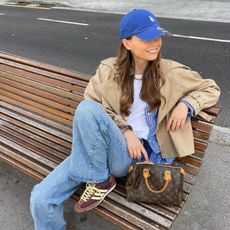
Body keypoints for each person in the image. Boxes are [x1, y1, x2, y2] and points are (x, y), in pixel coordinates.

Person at [30, 9, 220, 230]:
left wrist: (186, 105)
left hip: (132, 157)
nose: (155, 43)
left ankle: (100, 180)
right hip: (99, 150)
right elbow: (94, 107)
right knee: (41, 199)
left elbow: (210, 88)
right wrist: (125, 130)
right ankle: (98, 177)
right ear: (127, 43)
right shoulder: (108, 70)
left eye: (157, 37)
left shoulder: (170, 72)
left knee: (85, 110)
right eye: (147, 38)